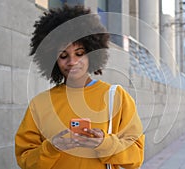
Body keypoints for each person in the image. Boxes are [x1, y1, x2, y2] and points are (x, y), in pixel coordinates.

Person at [15, 4, 145, 169]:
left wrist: (103, 143)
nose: (72, 62)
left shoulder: (116, 97)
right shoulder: (40, 104)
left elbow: (136, 157)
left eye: (79, 53)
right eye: (63, 55)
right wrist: (52, 147)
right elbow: (26, 160)